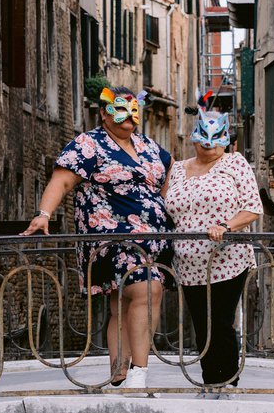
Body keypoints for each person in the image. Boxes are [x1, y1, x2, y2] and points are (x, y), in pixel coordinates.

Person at [24, 87, 171, 388]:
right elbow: (62, 181)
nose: (128, 117)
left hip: (155, 240)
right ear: (103, 113)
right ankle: (139, 373)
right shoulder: (89, 144)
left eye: (133, 110)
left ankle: (119, 371)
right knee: (148, 290)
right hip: (113, 239)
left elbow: (168, 180)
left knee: (122, 301)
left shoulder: (149, 146)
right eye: (119, 110)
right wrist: (44, 214)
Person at [165, 108, 263, 386]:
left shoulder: (235, 164)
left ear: (225, 141)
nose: (209, 147)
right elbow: (166, 209)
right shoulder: (178, 169)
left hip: (227, 260)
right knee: (201, 326)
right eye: (203, 141)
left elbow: (253, 208)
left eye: (215, 142)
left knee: (220, 321)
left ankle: (228, 381)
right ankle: (210, 381)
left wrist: (226, 226)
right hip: (187, 264)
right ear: (194, 139)